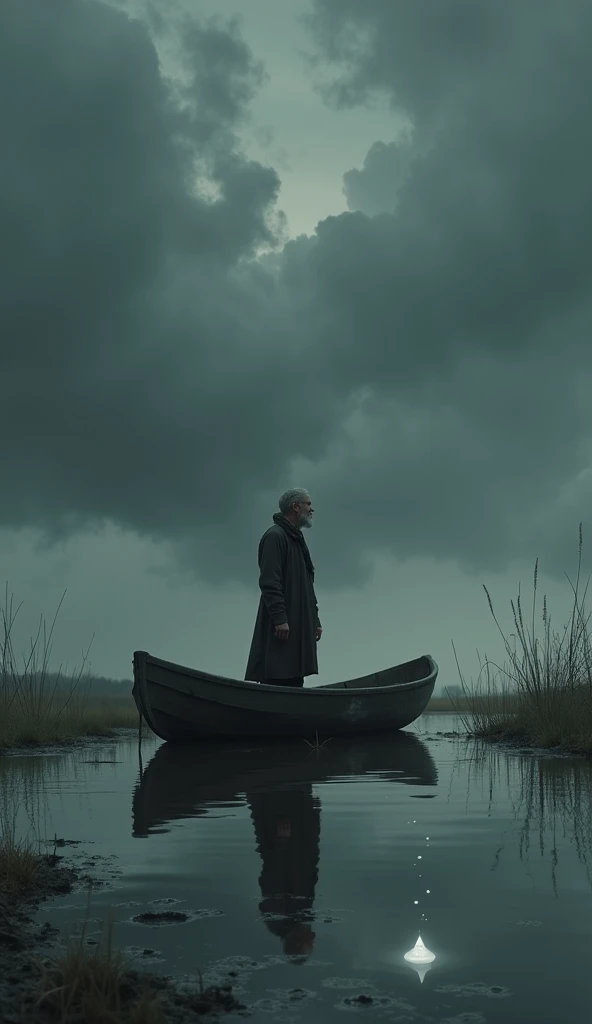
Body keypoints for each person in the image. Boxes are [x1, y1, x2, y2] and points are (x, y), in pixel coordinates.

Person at [244, 488, 322, 687]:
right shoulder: (275, 536)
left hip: (298, 622)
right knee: (276, 674)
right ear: (295, 507)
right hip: (282, 625)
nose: (312, 509)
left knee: (295, 676)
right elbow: (270, 582)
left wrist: (315, 619)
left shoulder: (296, 539)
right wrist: (279, 619)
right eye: (308, 504)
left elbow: (307, 584)